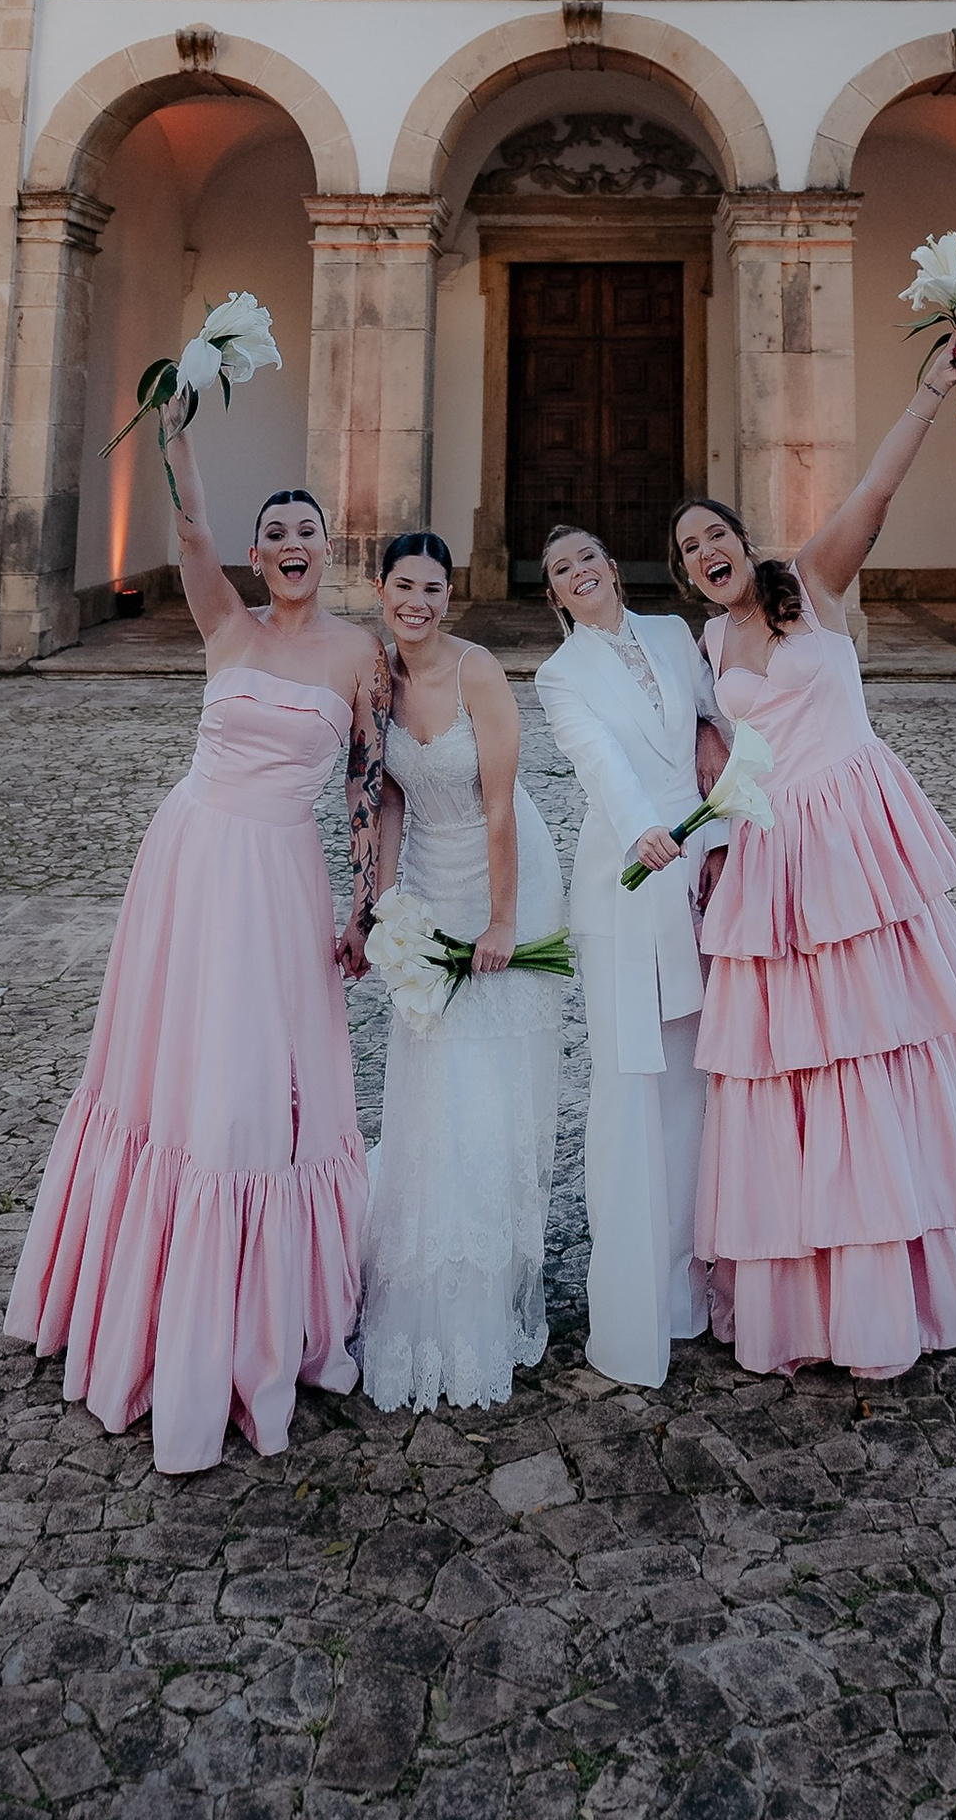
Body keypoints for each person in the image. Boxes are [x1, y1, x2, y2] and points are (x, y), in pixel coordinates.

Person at [3, 432, 390, 1472]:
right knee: (170, 1066)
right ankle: (141, 1292)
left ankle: (255, 1315)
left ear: (327, 548)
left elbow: (365, 785)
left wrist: (367, 908)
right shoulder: (224, 619)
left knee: (255, 1087)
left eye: (306, 530)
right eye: (274, 533)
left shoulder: (358, 655)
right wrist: (175, 435)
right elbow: (187, 527)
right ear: (257, 555)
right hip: (187, 860)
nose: (290, 543)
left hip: (277, 877)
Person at [675, 331, 956, 1383]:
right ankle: (804, 1293)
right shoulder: (705, 652)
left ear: (743, 540)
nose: (704, 554)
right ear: (685, 576)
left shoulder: (805, 585)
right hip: (777, 865)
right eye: (686, 551)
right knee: (790, 1072)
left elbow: (874, 489)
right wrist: (705, 851)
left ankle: (890, 1282)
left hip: (856, 846)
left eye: (714, 535)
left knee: (874, 1053)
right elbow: (709, 766)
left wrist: (926, 391)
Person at [353, 531, 568, 1411]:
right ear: (380, 588)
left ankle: (486, 1278)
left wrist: (505, 923)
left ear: (450, 594)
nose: (418, 601)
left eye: (433, 587)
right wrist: (382, 907)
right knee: (430, 1073)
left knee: (489, 1077)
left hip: (504, 873)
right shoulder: (376, 679)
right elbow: (390, 796)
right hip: (429, 886)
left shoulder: (479, 670)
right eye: (403, 585)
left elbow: (498, 805)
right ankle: (427, 1261)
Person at [533, 522, 730, 1389]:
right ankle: (629, 1311)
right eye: (559, 570)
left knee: (693, 1086)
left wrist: (718, 837)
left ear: (614, 568)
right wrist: (643, 831)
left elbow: (711, 735)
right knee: (629, 1088)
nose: (577, 573)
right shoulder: (558, 674)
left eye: (587, 558)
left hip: (702, 877)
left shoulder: (673, 636)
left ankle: (692, 1293)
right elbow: (598, 763)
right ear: (554, 596)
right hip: (625, 882)